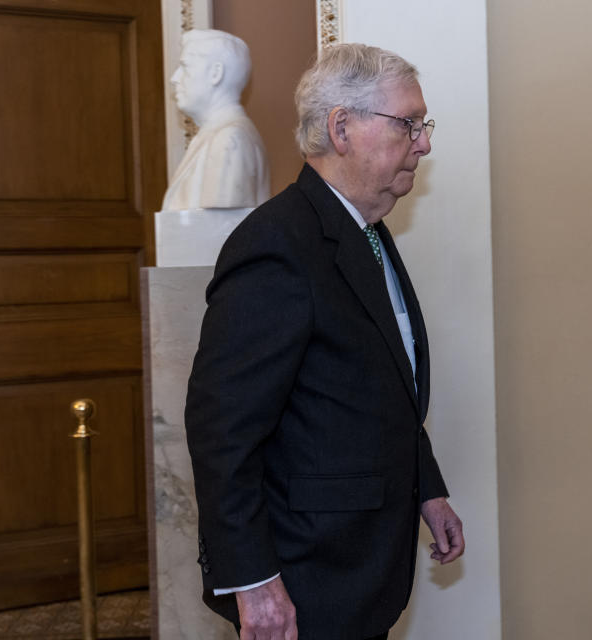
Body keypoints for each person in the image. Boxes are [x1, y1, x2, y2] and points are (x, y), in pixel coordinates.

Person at [184, 43, 464, 640]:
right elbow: (222, 431)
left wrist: (427, 489)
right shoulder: (277, 245)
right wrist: (253, 578)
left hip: (361, 567)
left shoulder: (365, 232)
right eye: (408, 124)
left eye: (424, 124)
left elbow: (380, 386)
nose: (425, 141)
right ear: (342, 127)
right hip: (305, 576)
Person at [163, 29, 270, 211]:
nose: (175, 78)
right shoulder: (219, 135)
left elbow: (220, 229)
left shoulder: (230, 140)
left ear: (216, 73)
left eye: (185, 67)